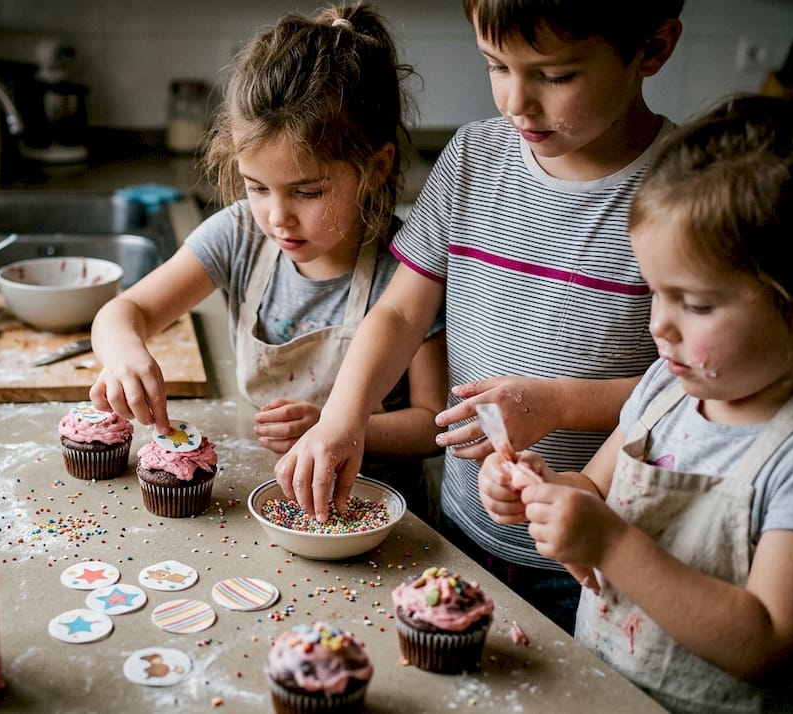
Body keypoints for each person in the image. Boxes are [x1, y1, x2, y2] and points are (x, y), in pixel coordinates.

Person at [274, 0, 685, 632]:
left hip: (594, 558)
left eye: (555, 75)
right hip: (461, 531)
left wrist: (561, 404)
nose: (517, 102)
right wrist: (343, 418)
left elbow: (690, 390)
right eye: (496, 66)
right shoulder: (471, 158)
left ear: (652, 50)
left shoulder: (688, 193)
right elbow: (400, 313)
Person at [478, 94, 793, 713]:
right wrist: (540, 491)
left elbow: (768, 643)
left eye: (697, 304)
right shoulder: (665, 389)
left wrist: (610, 545)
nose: (660, 326)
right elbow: (594, 489)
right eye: (656, 292)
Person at [88, 3, 446, 517]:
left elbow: (432, 422)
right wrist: (125, 354)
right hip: (269, 498)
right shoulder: (240, 235)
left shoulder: (408, 271)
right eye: (257, 187)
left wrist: (338, 423)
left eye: (307, 191)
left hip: (381, 517)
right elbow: (125, 311)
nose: (278, 218)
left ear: (376, 166)